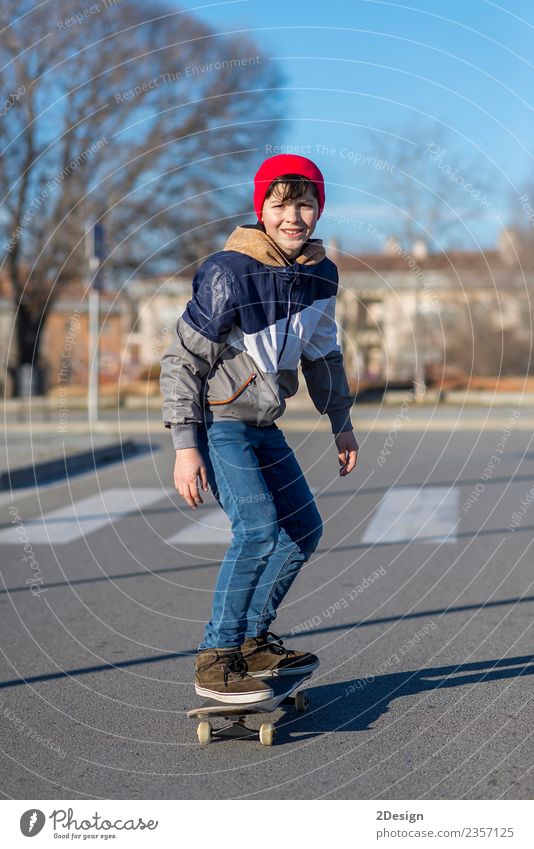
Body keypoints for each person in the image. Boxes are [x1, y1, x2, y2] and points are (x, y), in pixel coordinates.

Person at [160, 154, 359, 704]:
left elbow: (323, 353)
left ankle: (252, 642)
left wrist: (340, 422)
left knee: (303, 531)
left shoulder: (320, 274)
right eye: (280, 204)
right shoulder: (230, 271)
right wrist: (185, 447)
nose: (293, 215)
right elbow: (182, 361)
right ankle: (217, 657)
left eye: (305, 203)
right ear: (261, 209)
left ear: (319, 209)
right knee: (256, 529)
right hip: (220, 424)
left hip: (264, 425)